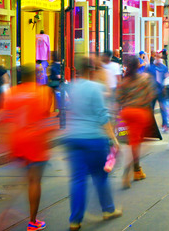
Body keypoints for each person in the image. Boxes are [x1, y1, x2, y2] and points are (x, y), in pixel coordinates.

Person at [65, 56, 123, 231]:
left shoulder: (70, 87)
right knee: (100, 176)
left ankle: (75, 220)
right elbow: (102, 116)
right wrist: (113, 139)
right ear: (92, 70)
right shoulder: (96, 88)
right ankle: (108, 210)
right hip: (94, 139)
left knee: (77, 180)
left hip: (73, 137)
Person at [0, 64, 55, 231]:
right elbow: (47, 119)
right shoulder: (42, 92)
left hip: (18, 141)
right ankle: (32, 221)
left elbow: (4, 120)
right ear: (36, 75)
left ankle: (4, 216)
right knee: (34, 182)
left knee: (19, 181)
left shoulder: (11, 93)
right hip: (35, 141)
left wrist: (7, 145)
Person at [116, 57, 156, 188]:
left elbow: (118, 99)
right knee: (139, 143)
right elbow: (151, 95)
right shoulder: (144, 78)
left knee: (134, 142)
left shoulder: (124, 81)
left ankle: (137, 170)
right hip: (140, 112)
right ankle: (127, 171)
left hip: (127, 113)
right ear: (139, 65)